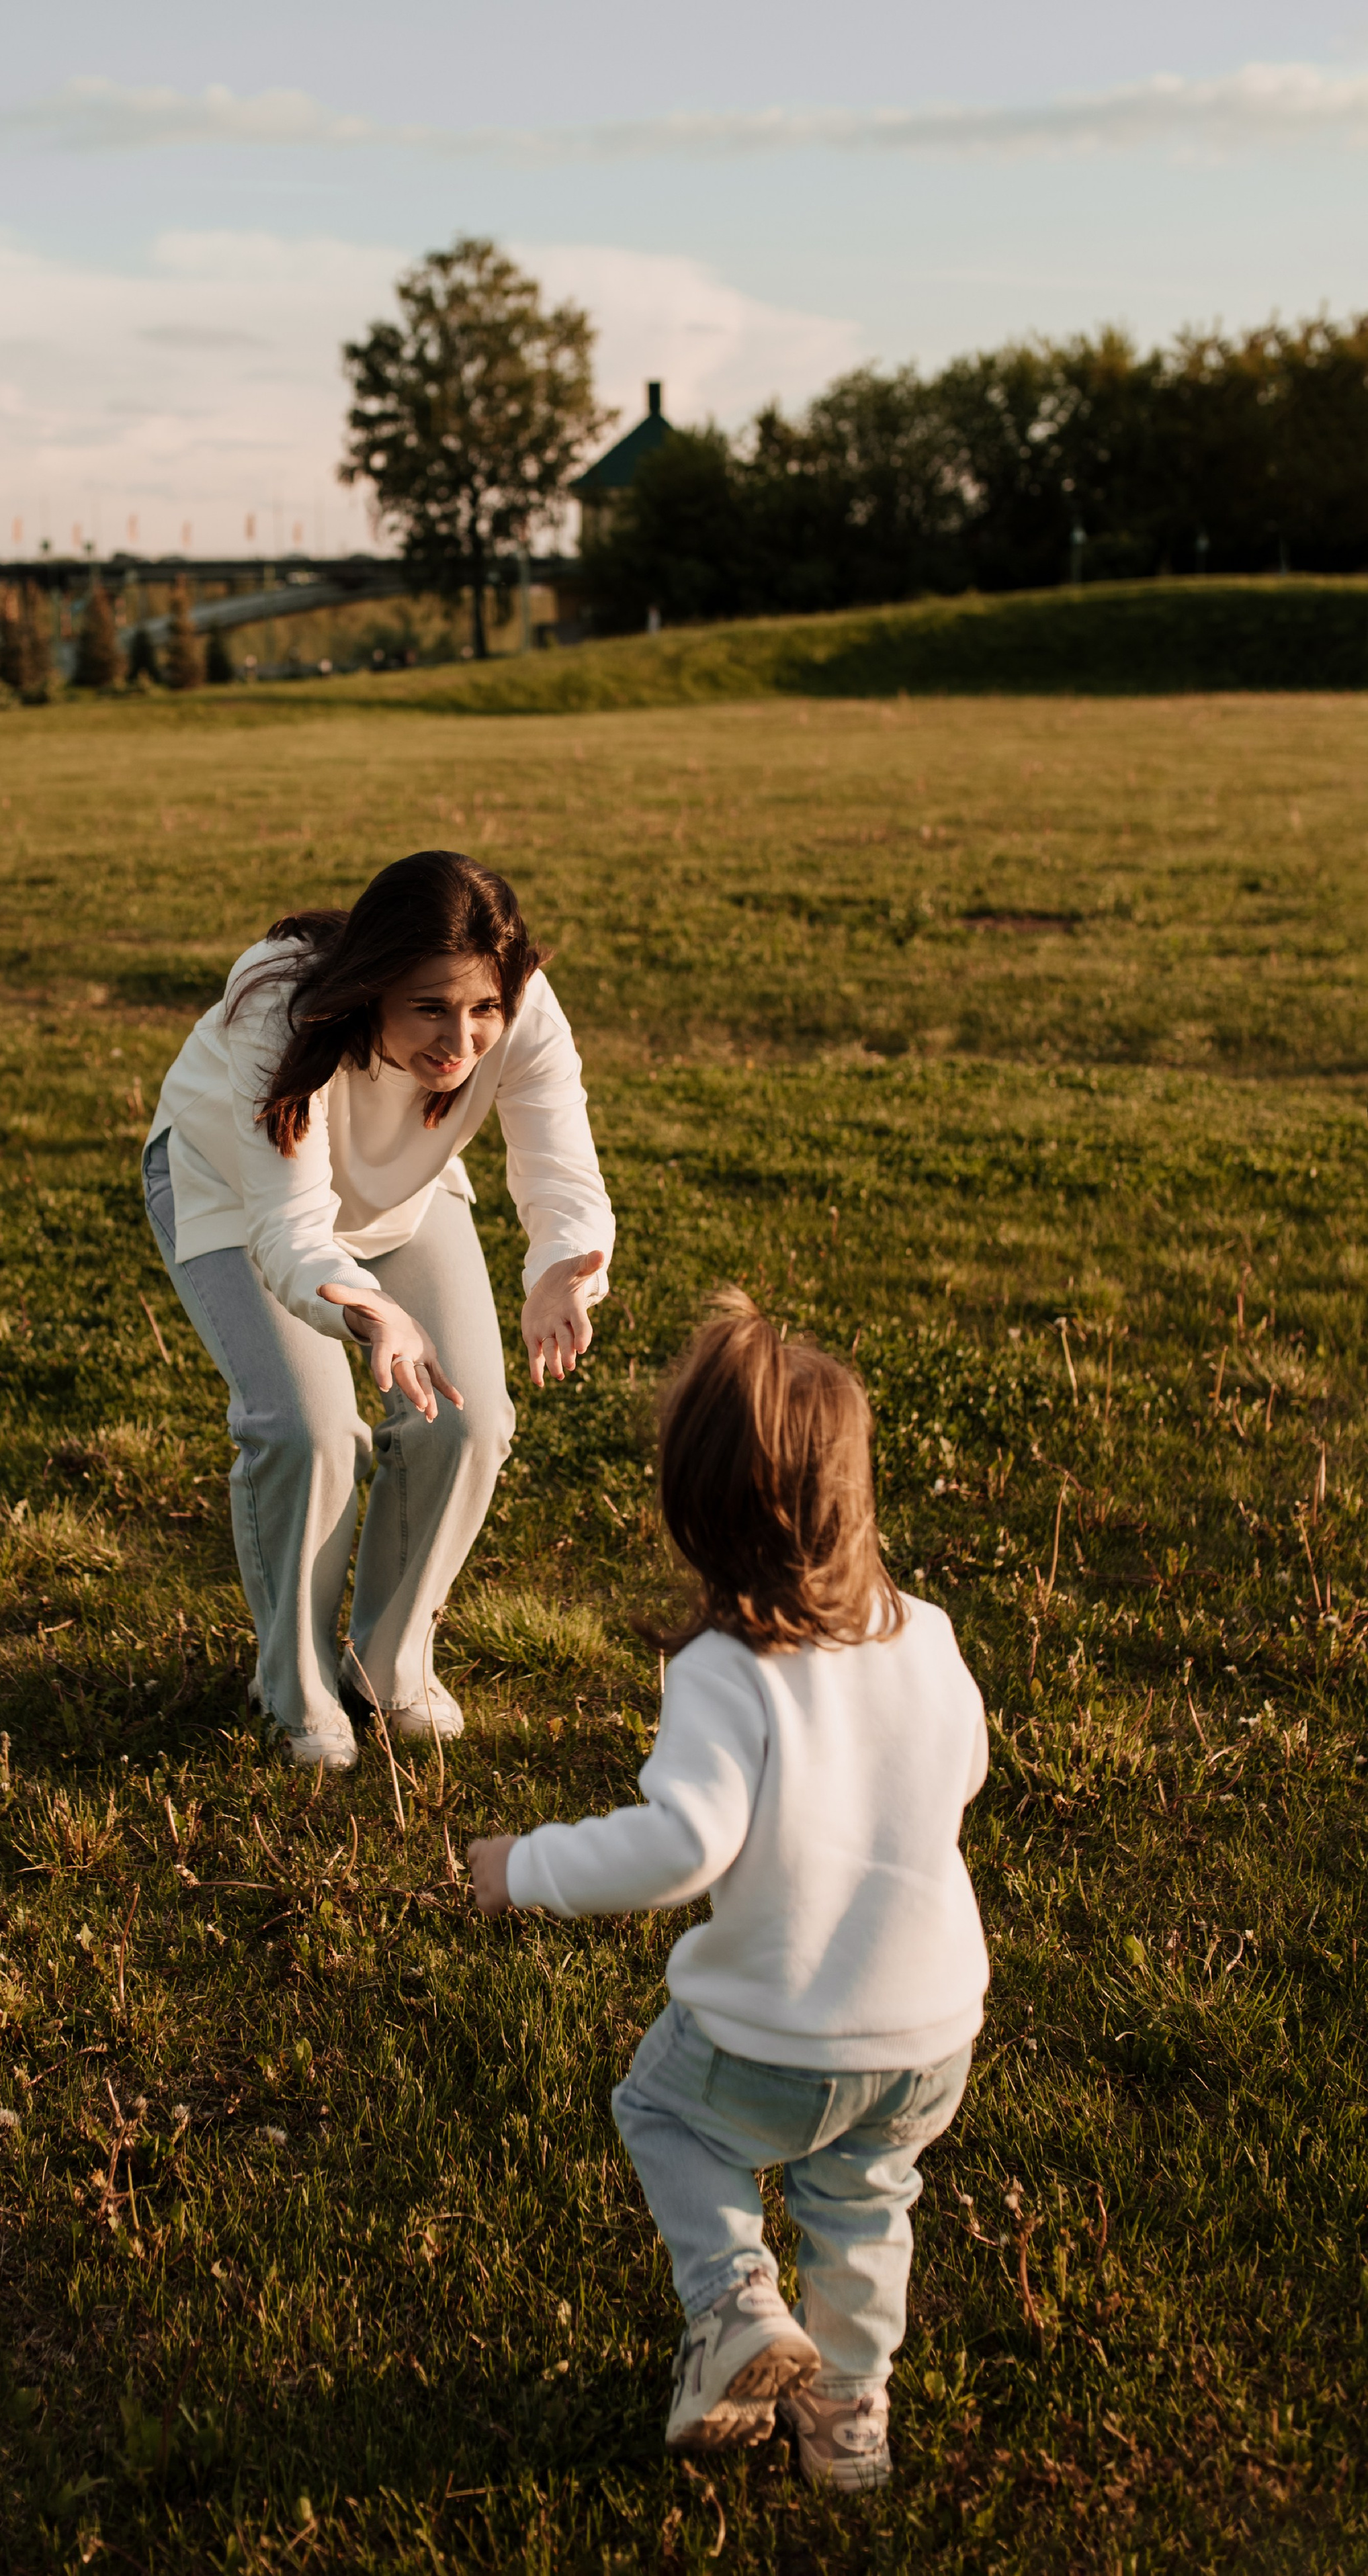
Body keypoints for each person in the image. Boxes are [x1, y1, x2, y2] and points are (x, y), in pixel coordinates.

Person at [468, 1294, 990, 2484]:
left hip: (776, 2030)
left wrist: (526, 1866)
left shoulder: (724, 1669)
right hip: (927, 2035)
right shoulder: (929, 1635)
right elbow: (964, 1769)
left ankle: (736, 2297)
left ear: (694, 1512)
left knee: (665, 2113)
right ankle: (851, 2421)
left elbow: (683, 1844)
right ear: (854, 1500)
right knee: (864, 2202)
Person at [143, 850, 614, 1773]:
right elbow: (287, 1226)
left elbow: (561, 1167)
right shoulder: (280, 1010)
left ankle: (387, 1662)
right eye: (430, 1008)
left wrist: (564, 1267)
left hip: (403, 1193)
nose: (462, 1042)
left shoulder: (520, 1008)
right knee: (308, 1432)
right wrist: (369, 1313)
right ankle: (297, 1690)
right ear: (371, 988)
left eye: (483, 1010)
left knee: (471, 1421)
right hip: (236, 1195)